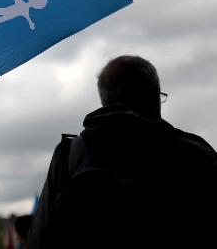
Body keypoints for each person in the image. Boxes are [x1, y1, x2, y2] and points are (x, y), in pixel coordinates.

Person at [28, 55, 217, 248]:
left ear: (104, 100)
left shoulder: (70, 156)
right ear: (154, 97)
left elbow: (41, 239)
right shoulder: (195, 152)